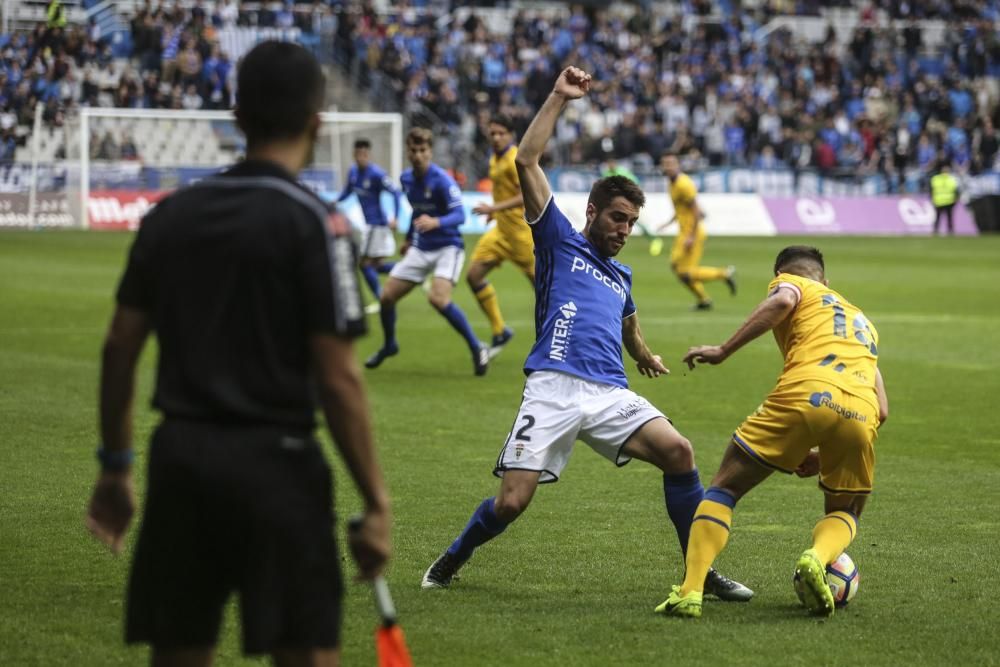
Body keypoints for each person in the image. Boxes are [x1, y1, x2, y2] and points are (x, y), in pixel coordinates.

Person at [85, 41, 392, 666]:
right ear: (317, 122)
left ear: (237, 117)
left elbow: (119, 347)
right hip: (278, 469)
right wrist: (376, 502)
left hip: (182, 463)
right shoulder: (321, 225)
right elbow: (338, 380)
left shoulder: (170, 217)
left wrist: (117, 465)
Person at [421, 67, 752, 604]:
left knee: (680, 452)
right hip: (552, 386)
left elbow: (626, 318)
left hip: (607, 392)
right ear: (592, 211)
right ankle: (453, 557)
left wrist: (643, 353)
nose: (623, 231)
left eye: (631, 223)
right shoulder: (557, 240)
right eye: (617, 219)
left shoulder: (622, 274)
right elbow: (526, 160)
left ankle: (701, 572)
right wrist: (557, 97)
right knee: (511, 503)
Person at [656, 245, 888, 619]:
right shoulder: (862, 322)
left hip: (804, 390)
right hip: (861, 410)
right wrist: (822, 452)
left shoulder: (789, 284)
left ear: (782, 273)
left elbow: (781, 304)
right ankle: (817, 556)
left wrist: (723, 350)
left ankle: (690, 591)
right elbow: (884, 410)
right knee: (848, 509)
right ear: (826, 280)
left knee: (725, 488)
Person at [365, 127, 490, 376]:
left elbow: (459, 214)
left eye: (423, 150)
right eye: (414, 150)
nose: (418, 155)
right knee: (387, 297)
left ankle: (477, 347)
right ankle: (390, 345)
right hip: (421, 248)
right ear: (408, 152)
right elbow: (415, 209)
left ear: (430, 151)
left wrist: (436, 222)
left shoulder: (442, 180)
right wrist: (411, 238)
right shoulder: (406, 179)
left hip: (448, 247)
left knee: (438, 299)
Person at [468, 115, 533, 355]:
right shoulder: (495, 159)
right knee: (474, 276)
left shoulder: (514, 159)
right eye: (492, 133)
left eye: (500, 133)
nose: (495, 137)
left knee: (545, 289)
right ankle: (500, 331)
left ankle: (567, 338)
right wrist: (495, 215)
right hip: (500, 232)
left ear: (510, 135)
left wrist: (493, 208)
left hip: (520, 236)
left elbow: (526, 195)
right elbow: (505, 193)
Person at [660, 153, 736, 310]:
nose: (668, 167)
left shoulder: (684, 184)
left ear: (678, 165)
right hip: (684, 232)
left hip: (691, 234)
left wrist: (691, 237)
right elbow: (681, 208)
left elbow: (696, 211)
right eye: (665, 164)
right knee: (677, 268)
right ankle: (704, 300)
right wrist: (668, 222)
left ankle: (723, 274)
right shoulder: (671, 183)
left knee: (685, 273)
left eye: (671, 163)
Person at [336, 138, 402, 312]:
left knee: (364, 265)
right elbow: (348, 191)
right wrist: (336, 201)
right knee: (376, 266)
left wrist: (395, 217)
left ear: (369, 155)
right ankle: (411, 269)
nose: (361, 157)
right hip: (369, 225)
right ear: (354, 154)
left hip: (377, 225)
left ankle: (381, 298)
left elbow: (396, 193)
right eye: (358, 154)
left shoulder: (377, 174)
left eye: (364, 154)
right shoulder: (353, 172)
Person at [930, 161, 959, 235]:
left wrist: (955, 199)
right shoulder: (936, 179)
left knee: (949, 218)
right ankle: (936, 231)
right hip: (939, 201)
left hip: (949, 201)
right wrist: (932, 198)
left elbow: (955, 190)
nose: (946, 170)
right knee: (938, 218)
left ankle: (950, 231)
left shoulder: (952, 178)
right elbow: (931, 190)